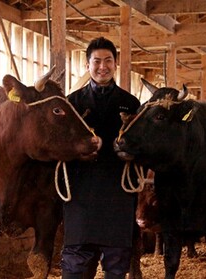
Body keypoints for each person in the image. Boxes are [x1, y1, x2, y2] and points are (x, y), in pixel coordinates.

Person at [60, 37, 141, 279]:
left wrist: (127, 150)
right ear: (87, 65)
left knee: (116, 268)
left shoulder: (130, 104)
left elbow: (142, 147)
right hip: (80, 194)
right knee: (75, 269)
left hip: (118, 195)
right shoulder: (72, 103)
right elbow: (58, 146)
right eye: (97, 61)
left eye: (108, 61)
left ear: (115, 64)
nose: (102, 67)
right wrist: (79, 150)